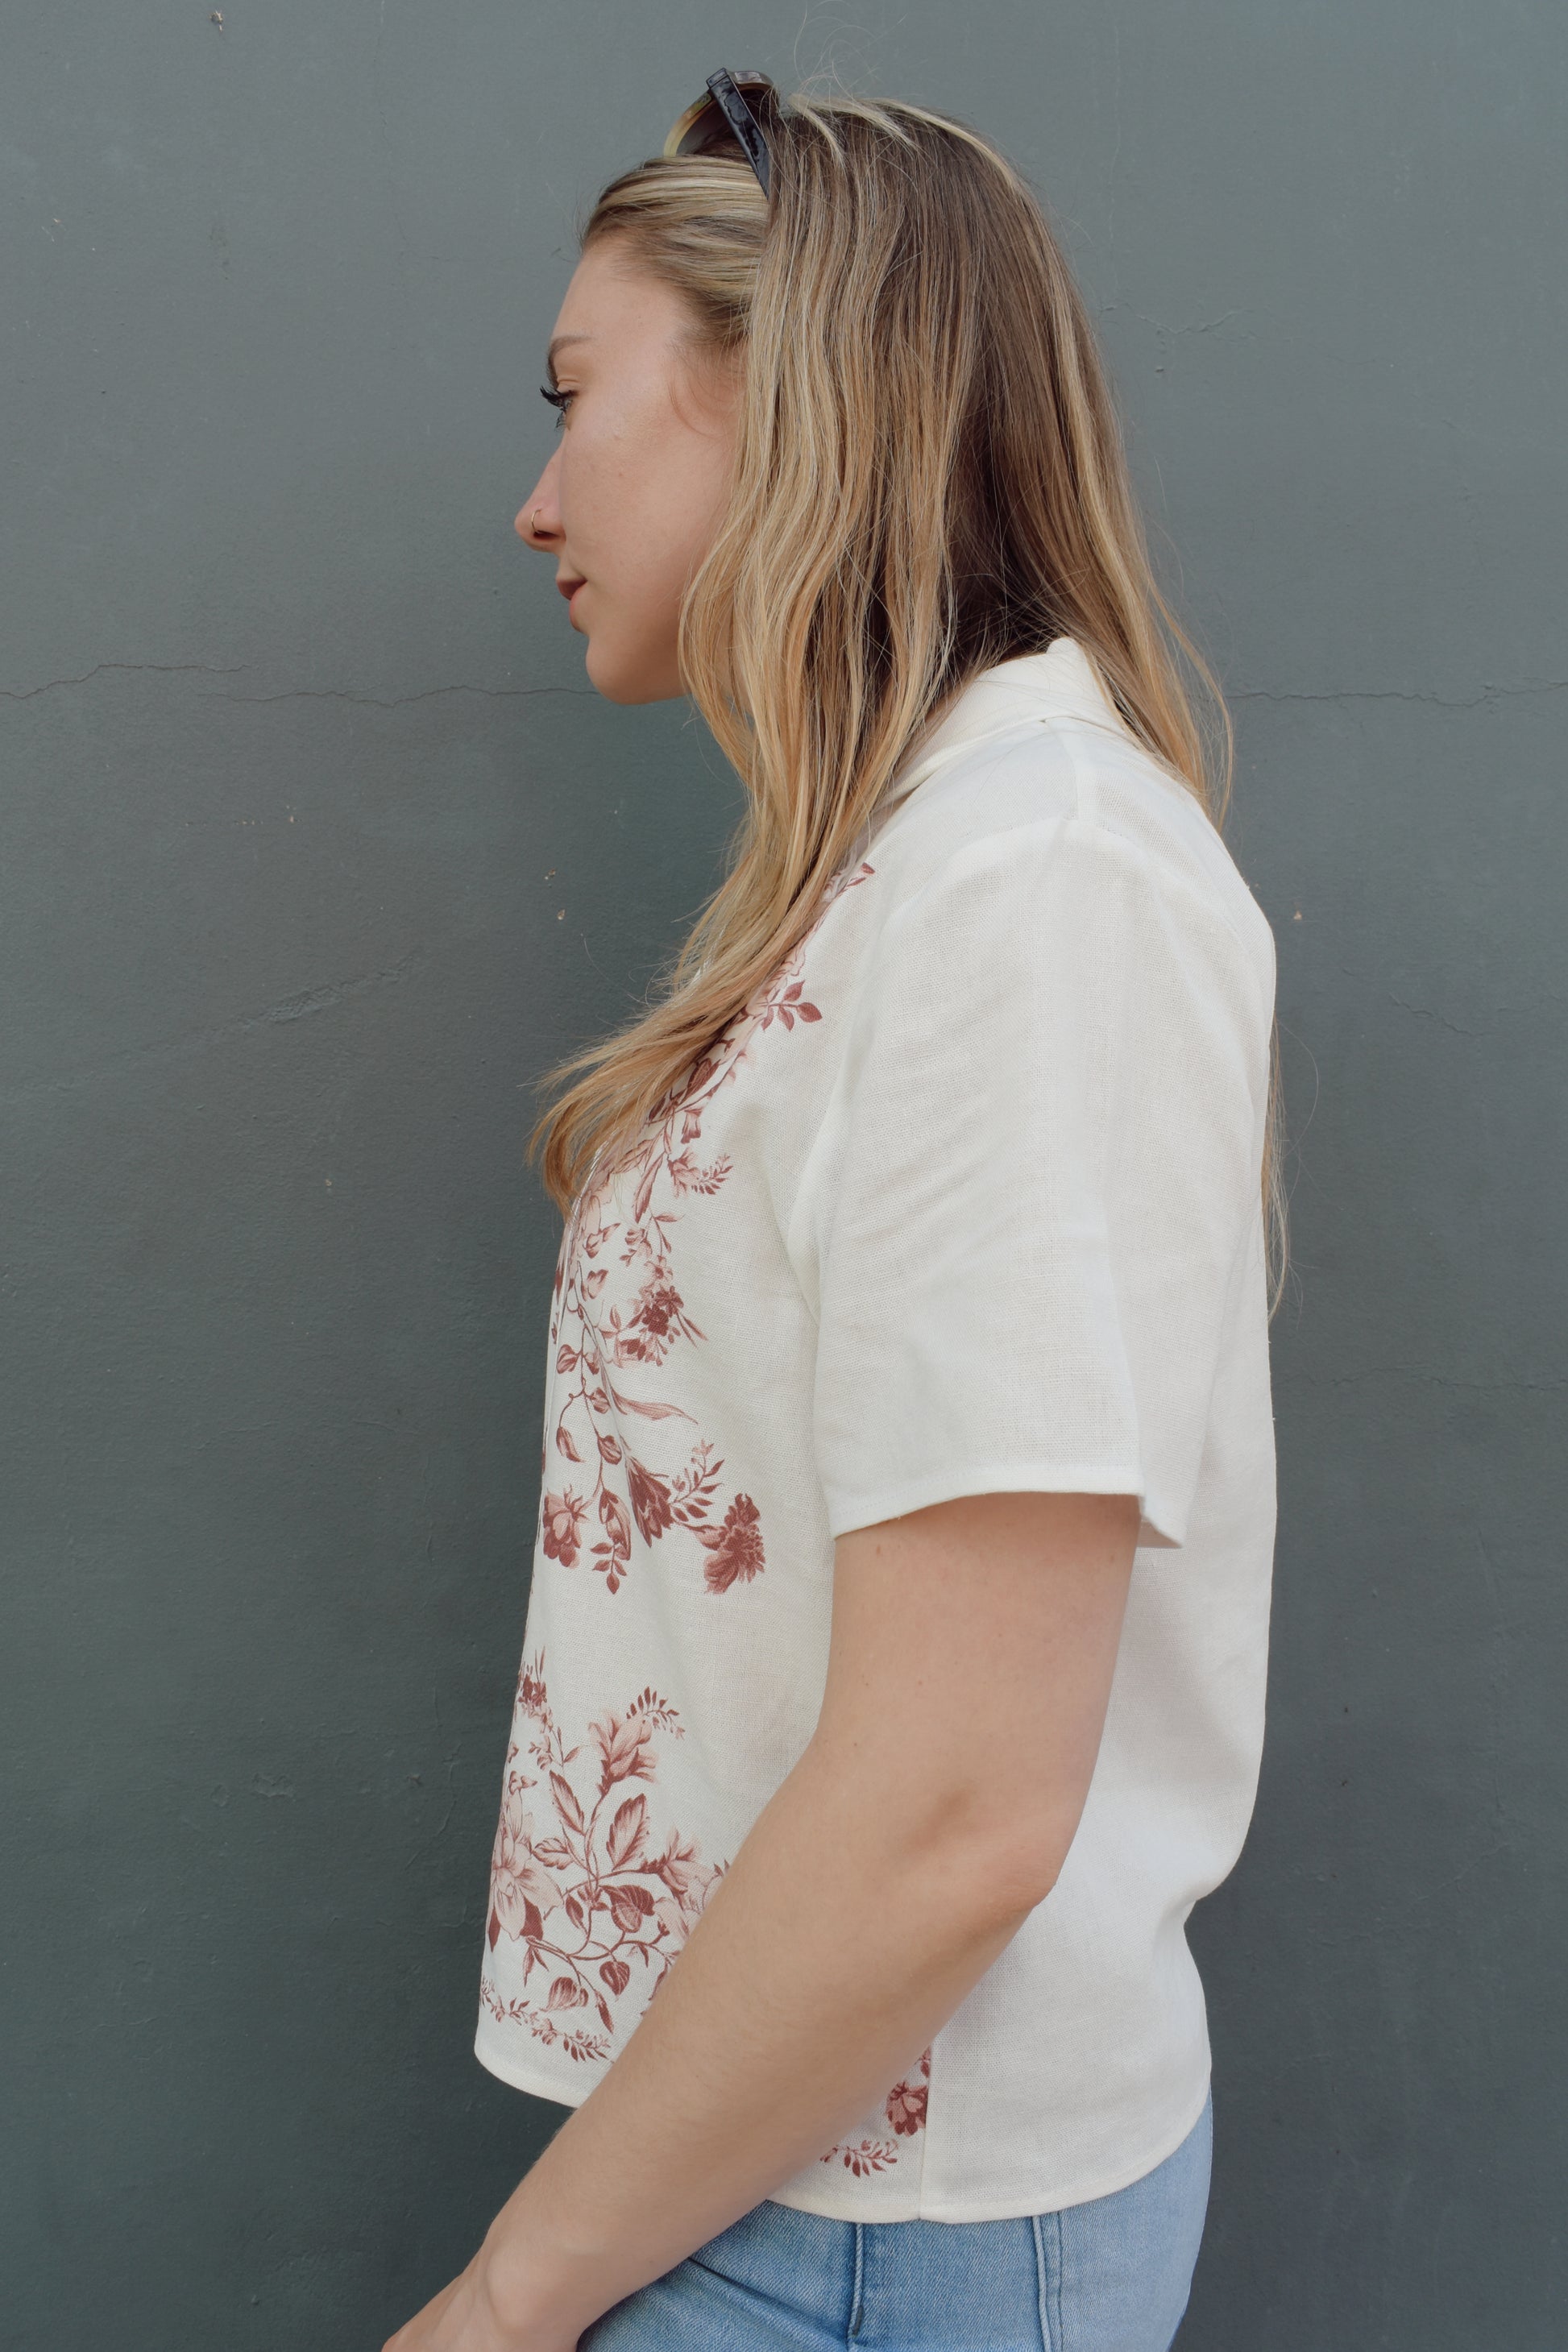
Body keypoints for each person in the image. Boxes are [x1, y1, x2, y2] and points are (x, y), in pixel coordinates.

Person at [386, 69, 1283, 2352]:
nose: (535, 498)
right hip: (774, 2172)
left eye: (575, 395)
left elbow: (959, 1800)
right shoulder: (921, 868)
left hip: (879, 2227)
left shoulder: (1032, 883)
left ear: (780, 392)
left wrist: (510, 2300)